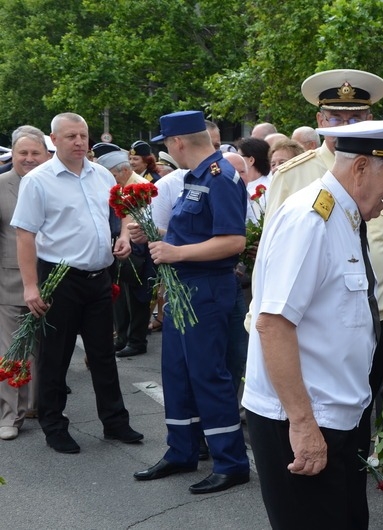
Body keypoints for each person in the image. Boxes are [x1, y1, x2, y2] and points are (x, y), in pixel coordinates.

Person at [243, 115, 383, 529]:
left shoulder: (345, 216)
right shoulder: (310, 220)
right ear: (361, 167)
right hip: (304, 419)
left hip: (337, 417)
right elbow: (273, 324)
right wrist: (304, 426)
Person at [131, 110, 250, 494]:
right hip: (184, 289)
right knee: (178, 373)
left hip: (207, 289)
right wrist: (159, 236)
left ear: (178, 142)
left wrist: (175, 253)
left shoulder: (221, 178)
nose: (168, 151)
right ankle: (181, 450)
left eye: (167, 144)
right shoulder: (194, 178)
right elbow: (195, 232)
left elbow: (234, 241)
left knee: (208, 375)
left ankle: (231, 462)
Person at [11, 112, 142, 454]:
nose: (80, 142)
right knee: (55, 357)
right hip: (59, 279)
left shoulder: (100, 175)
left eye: (83, 135)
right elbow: (25, 235)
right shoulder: (39, 180)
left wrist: (124, 236)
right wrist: (30, 287)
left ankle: (115, 421)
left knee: (102, 354)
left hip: (99, 277)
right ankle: (54, 425)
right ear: (53, 141)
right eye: (70, 136)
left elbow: (121, 211)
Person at [0, 126, 50, 441]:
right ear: (13, 155)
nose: (29, 159)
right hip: (9, 284)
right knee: (11, 351)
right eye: (23, 153)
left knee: (45, 351)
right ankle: (9, 415)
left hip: (53, 281)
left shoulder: (57, 185)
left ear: (46, 155)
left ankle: (39, 405)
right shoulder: (1, 186)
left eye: (35, 153)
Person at [95, 148, 151, 358]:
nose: (109, 180)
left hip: (140, 250)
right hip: (121, 247)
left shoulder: (142, 187)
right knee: (119, 295)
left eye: (112, 175)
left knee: (138, 296)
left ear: (123, 170)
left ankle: (137, 340)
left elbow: (143, 222)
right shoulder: (120, 187)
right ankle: (122, 337)